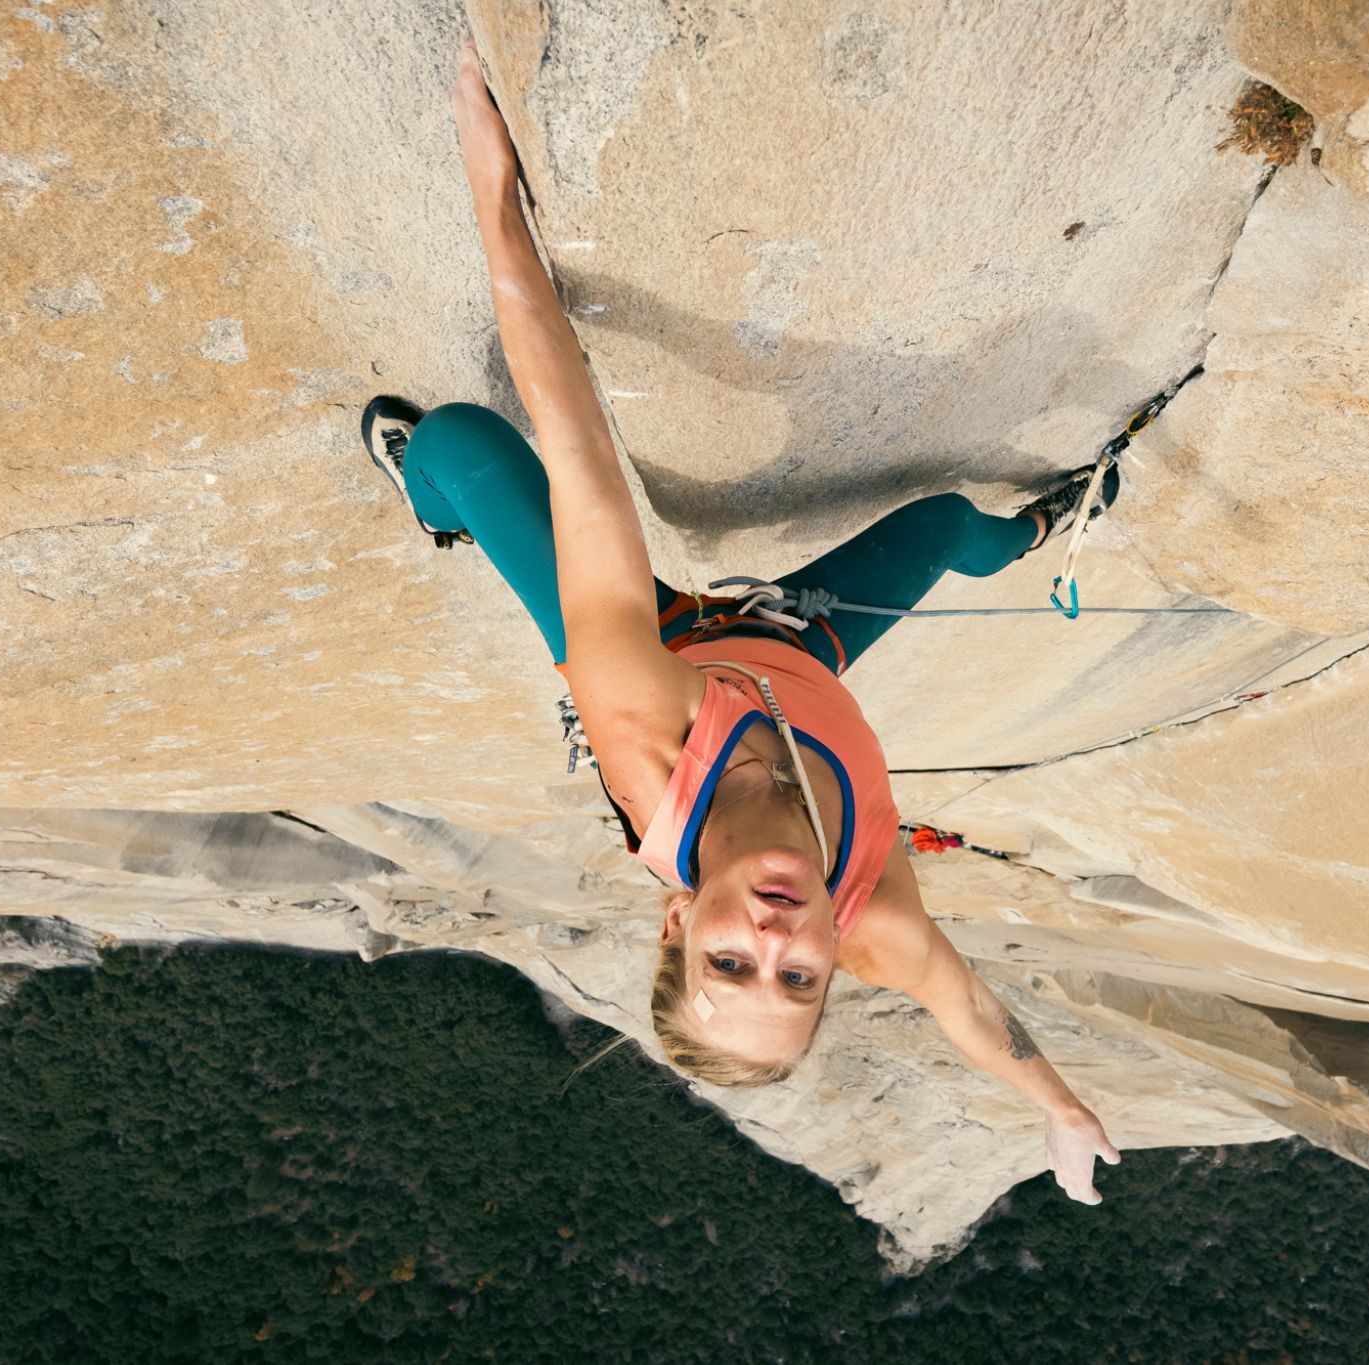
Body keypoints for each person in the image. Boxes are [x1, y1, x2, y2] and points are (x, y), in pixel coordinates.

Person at [364, 37, 1122, 1206]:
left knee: (462, 442)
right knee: (946, 523)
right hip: (797, 645)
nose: (775, 941)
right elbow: (969, 1009)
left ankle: (427, 498)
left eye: (729, 963)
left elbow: (578, 453)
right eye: (797, 983)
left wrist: (493, 198)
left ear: (675, 922)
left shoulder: (641, 732)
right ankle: (1033, 536)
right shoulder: (871, 917)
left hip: (671, 642)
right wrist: (1058, 1106)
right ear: (835, 972)